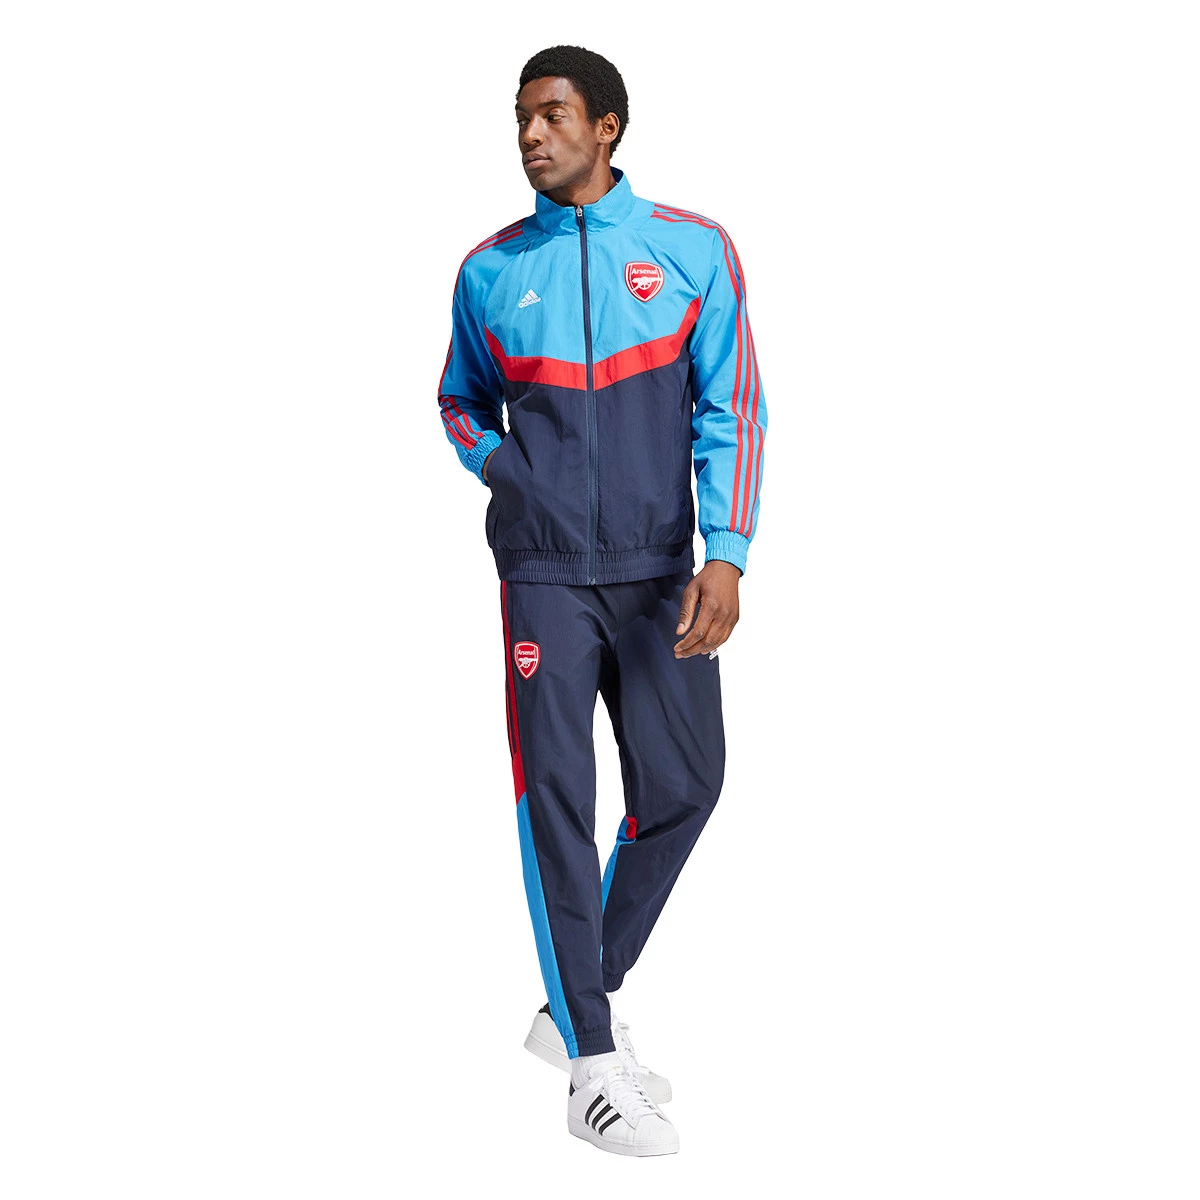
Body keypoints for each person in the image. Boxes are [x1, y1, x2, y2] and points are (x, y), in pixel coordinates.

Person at [437, 44, 767, 1156]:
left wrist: (727, 550)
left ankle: (580, 990)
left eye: (553, 115)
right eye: (521, 118)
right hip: (542, 575)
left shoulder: (691, 249)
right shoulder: (490, 270)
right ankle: (589, 1061)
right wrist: (506, 469)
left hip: (661, 567)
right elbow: (459, 403)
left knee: (686, 784)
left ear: (608, 126)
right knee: (558, 802)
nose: (531, 136)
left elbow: (732, 405)